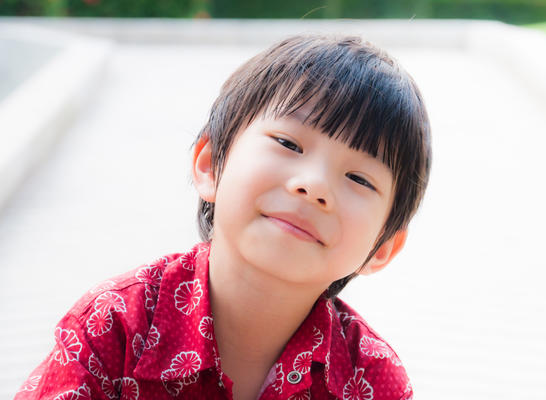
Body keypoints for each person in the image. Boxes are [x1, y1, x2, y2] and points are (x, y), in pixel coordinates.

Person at [15, 34, 431, 400]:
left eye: (359, 178)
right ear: (211, 165)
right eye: (289, 143)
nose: (314, 185)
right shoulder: (114, 326)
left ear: (383, 247)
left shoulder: (372, 380)